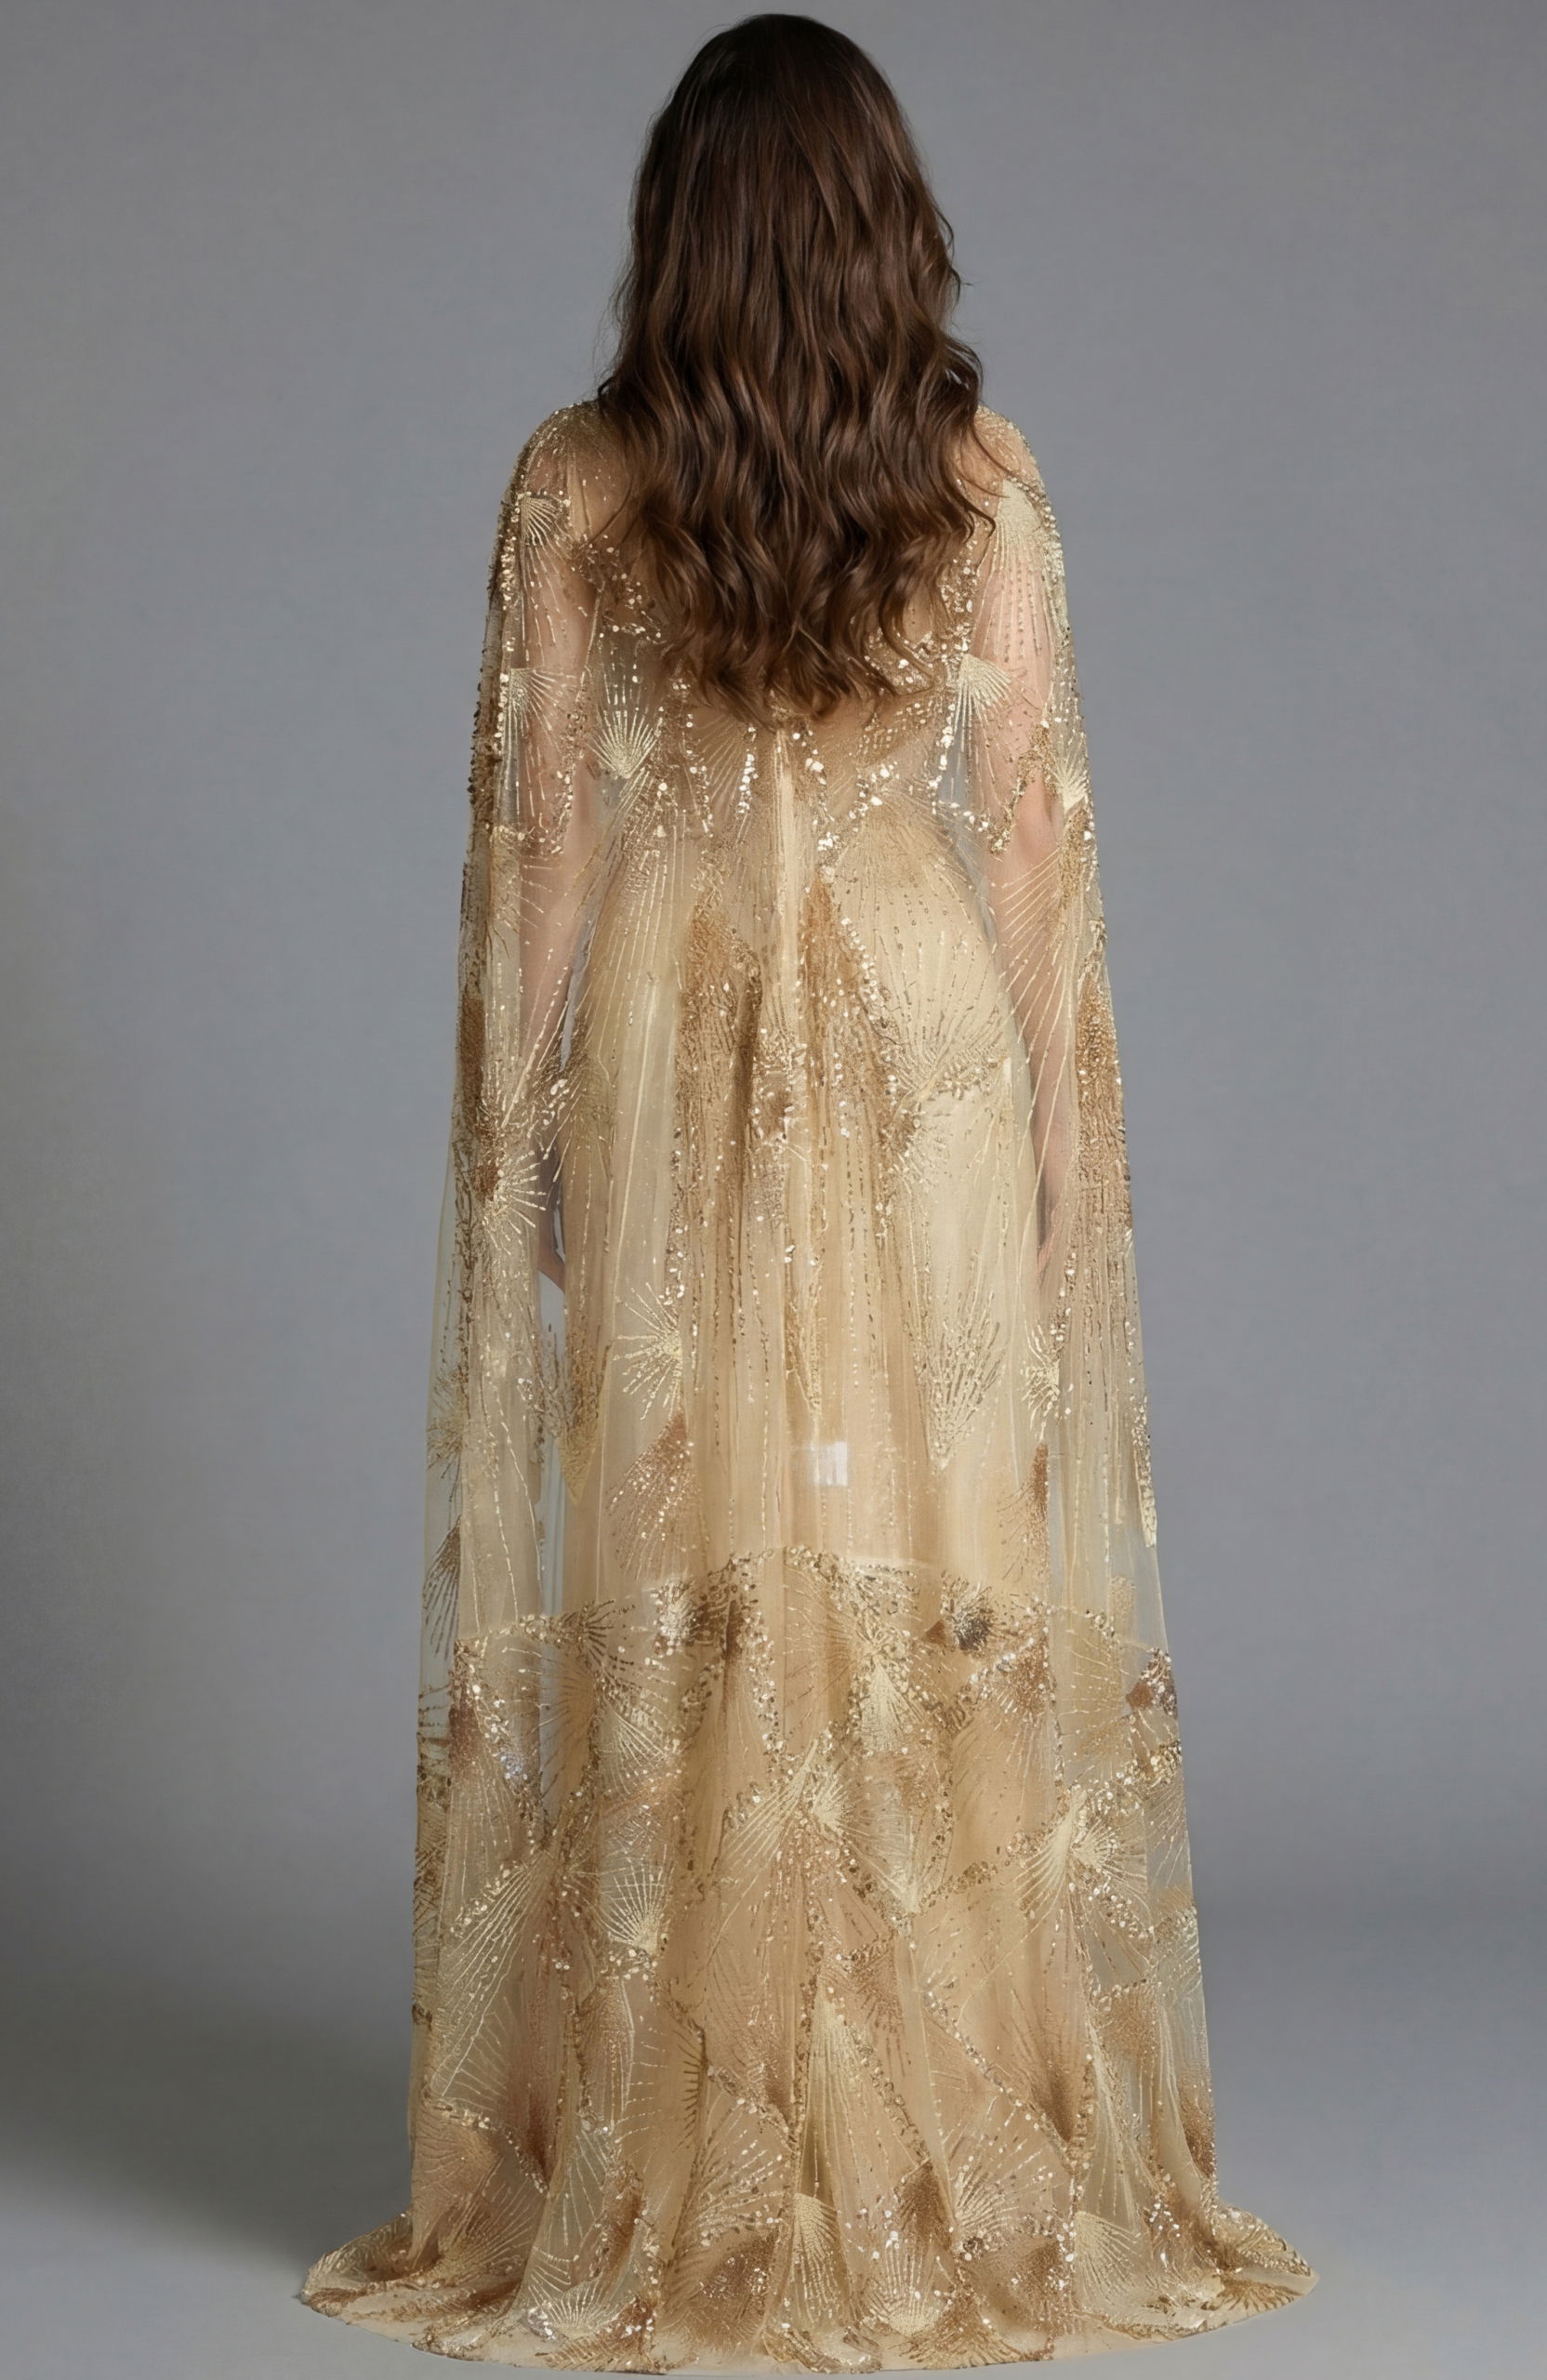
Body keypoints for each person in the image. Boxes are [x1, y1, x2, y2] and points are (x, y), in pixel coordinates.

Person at [302, 15, 1316, 2368]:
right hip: (920, 1019)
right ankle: (930, 2119)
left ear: (675, 233)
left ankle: (715, 2119)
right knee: (927, 1532)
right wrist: (1058, 1160)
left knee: (696, 1530)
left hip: (679, 1024)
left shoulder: (576, 481)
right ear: (885, 232)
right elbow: (1034, 833)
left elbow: (548, 841)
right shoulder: (980, 476)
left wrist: (520, 1140)